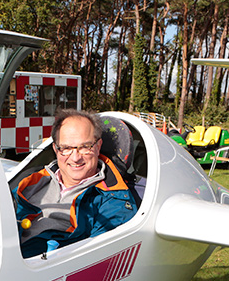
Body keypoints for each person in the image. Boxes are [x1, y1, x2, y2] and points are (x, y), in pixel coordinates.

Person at [12, 109, 138, 258]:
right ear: (55, 149)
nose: (75, 157)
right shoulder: (32, 180)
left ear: (98, 147)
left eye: (85, 147)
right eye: (66, 148)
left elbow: (94, 262)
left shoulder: (115, 203)